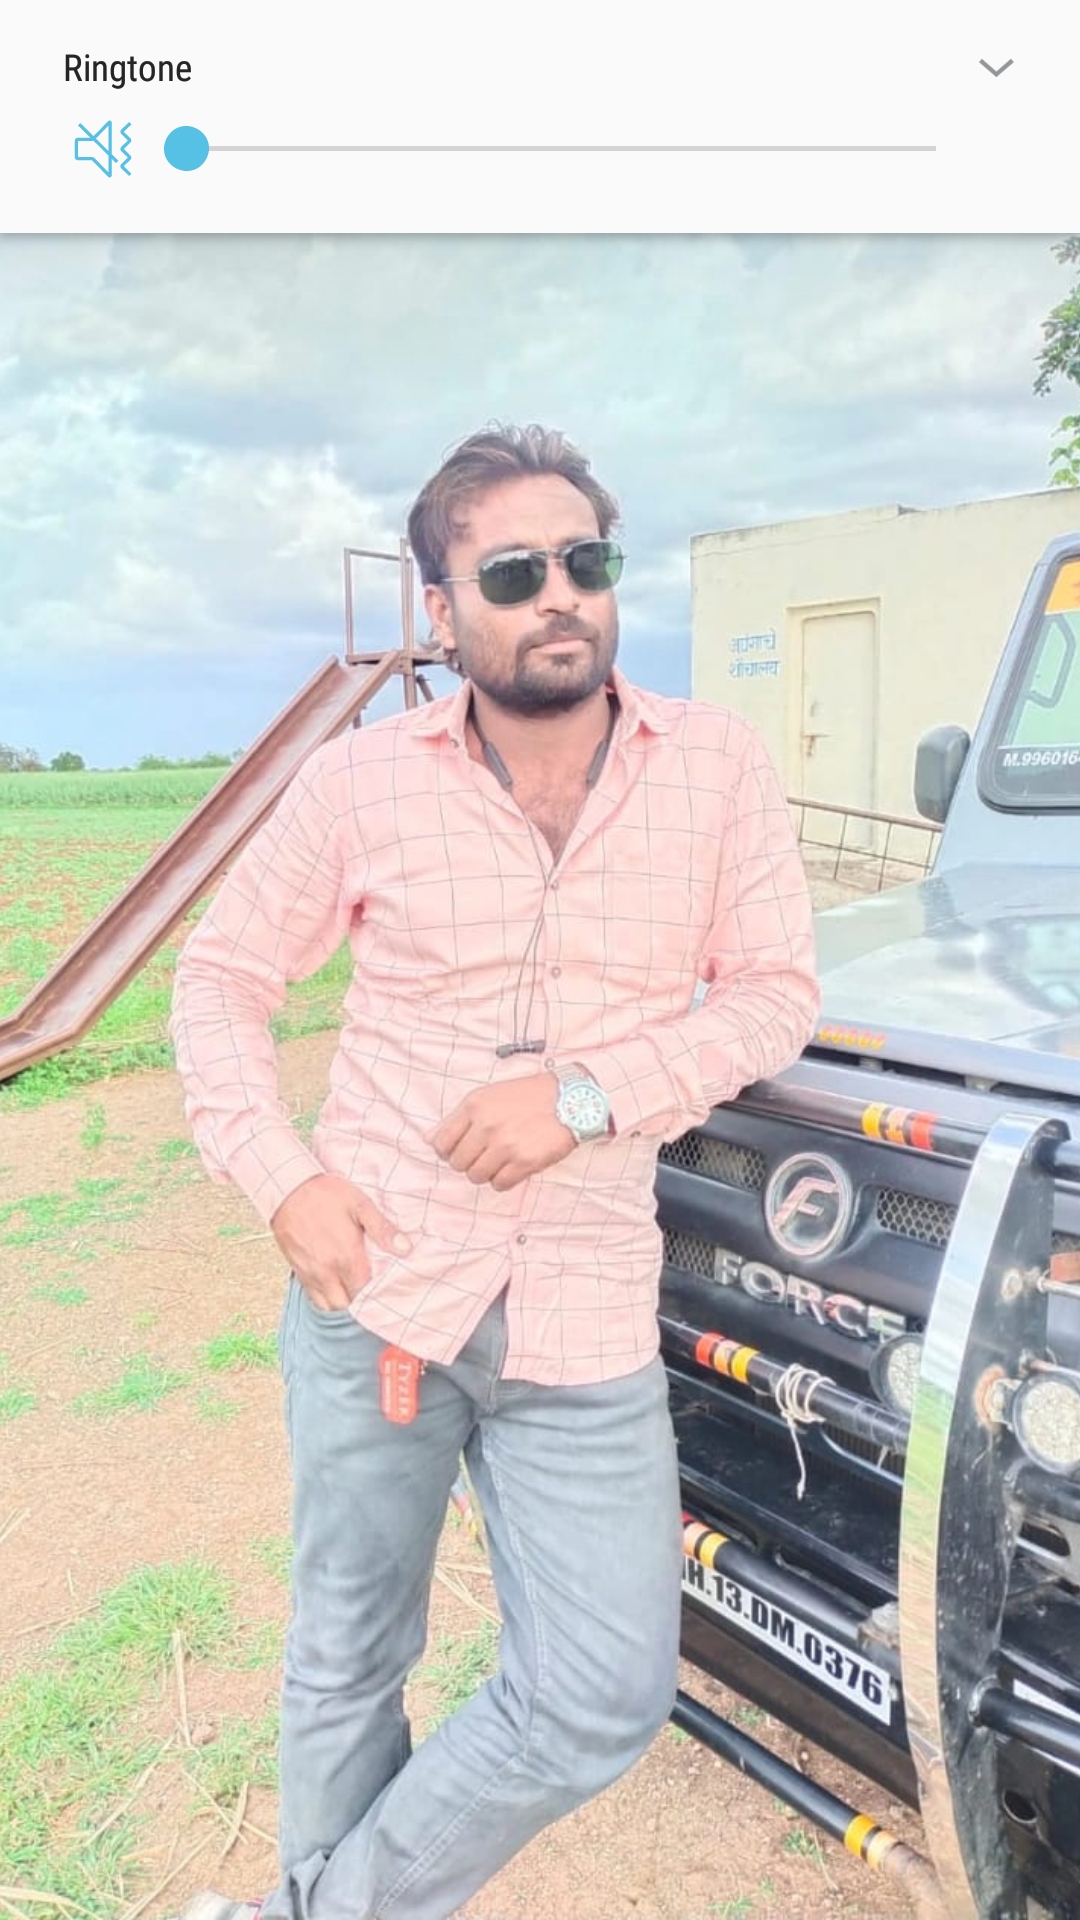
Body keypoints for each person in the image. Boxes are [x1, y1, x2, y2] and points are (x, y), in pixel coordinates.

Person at [167, 423, 821, 1920]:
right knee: (350, 1652)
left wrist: (585, 1097)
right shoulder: (357, 785)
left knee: (601, 1692)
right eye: (514, 573)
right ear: (442, 610)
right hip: (379, 1292)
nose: (559, 595)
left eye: (585, 560)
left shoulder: (714, 765)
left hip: (584, 1307)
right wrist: (281, 1179)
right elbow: (220, 979)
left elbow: (775, 992)